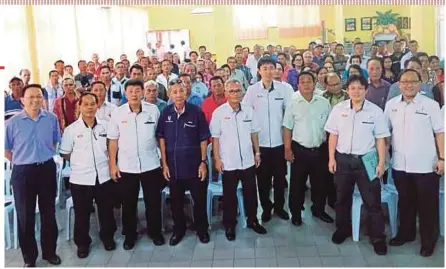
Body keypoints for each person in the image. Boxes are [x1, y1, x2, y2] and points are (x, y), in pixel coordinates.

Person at [324, 75, 389, 255]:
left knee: (372, 201)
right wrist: (331, 158)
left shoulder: (375, 111)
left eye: (360, 88)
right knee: (341, 198)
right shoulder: (338, 109)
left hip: (366, 161)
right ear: (348, 90)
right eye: (352, 88)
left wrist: (381, 163)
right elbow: (333, 136)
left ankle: (377, 237)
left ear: (366, 90)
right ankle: (342, 229)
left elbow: (380, 139)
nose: (356, 91)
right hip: (343, 160)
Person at [384, 69, 444, 257]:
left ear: (419, 84)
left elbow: (440, 132)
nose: (409, 85)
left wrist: (442, 158)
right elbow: (385, 133)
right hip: (400, 165)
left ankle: (428, 241)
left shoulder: (431, 105)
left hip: (426, 165)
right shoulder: (392, 105)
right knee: (406, 202)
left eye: (413, 81)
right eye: (405, 82)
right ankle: (406, 234)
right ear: (399, 84)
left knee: (427, 206)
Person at [5, 84, 62, 267]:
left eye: (39, 96)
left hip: (46, 169)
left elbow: (55, 142)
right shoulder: (11, 123)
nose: (36, 100)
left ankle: (49, 253)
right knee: (25, 216)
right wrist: (25, 160)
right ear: (22, 100)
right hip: (23, 172)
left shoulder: (51, 119)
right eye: (31, 97)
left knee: (48, 213)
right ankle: (29, 258)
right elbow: (7, 151)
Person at [107, 79, 166, 249]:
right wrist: (113, 164)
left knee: (153, 201)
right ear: (126, 94)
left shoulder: (153, 110)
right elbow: (113, 141)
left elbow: (159, 137)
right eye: (130, 91)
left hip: (151, 164)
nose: (134, 94)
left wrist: (163, 160)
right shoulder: (118, 113)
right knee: (129, 203)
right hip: (127, 166)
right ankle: (130, 235)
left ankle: (155, 232)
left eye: (137, 90)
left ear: (143, 93)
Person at [59, 92, 117, 258]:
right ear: (80, 106)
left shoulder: (106, 126)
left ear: (97, 105)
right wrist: (82, 160)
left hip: (104, 176)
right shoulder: (71, 130)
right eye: (86, 104)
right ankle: (82, 244)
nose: (90, 107)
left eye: (93, 104)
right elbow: (65, 153)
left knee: (106, 211)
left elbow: (112, 147)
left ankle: (108, 238)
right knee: (82, 213)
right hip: (80, 179)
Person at [155, 79, 210, 246]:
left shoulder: (196, 112)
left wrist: (203, 162)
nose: (178, 95)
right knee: (176, 202)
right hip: (173, 167)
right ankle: (179, 230)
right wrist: (164, 164)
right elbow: (161, 138)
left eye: (181, 91)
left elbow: (203, 139)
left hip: (194, 166)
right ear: (170, 95)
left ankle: (202, 229)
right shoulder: (166, 113)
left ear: (186, 93)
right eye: (174, 92)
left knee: (199, 200)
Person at [210, 79, 266, 240]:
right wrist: (217, 159)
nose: (235, 94)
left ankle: (253, 220)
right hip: (229, 162)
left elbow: (254, 133)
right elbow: (215, 138)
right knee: (229, 195)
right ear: (226, 94)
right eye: (232, 91)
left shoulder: (249, 111)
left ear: (242, 92)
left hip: (248, 160)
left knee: (250, 193)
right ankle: (229, 225)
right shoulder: (219, 113)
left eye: (238, 90)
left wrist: (257, 153)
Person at [242, 57, 293, 223]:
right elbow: (246, 115)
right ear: (259, 71)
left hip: (279, 143)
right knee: (262, 180)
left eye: (272, 68)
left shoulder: (285, 89)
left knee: (280, 179)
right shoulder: (252, 91)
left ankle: (279, 207)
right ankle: (266, 208)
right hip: (260, 144)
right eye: (265, 68)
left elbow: (290, 116)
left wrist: (288, 144)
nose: (269, 71)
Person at [283, 71, 333, 226]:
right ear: (298, 85)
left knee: (320, 184)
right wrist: (287, 149)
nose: (306, 84)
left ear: (314, 83)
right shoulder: (293, 104)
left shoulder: (324, 102)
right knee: (297, 184)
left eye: (309, 81)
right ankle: (296, 213)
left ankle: (318, 210)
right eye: (302, 82)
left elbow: (331, 128)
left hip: (320, 150)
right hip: (299, 150)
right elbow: (287, 128)